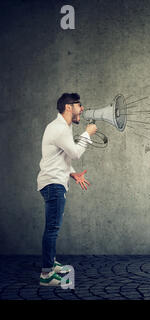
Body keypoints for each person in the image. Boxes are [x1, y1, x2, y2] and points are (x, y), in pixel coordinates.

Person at [37, 93, 97, 286]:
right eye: (80, 106)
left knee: (52, 228)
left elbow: (58, 157)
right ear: (69, 107)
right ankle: (46, 275)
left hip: (54, 181)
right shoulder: (60, 129)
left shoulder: (61, 127)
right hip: (54, 184)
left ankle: (51, 263)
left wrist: (72, 174)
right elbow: (75, 153)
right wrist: (88, 133)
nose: (83, 109)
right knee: (52, 229)